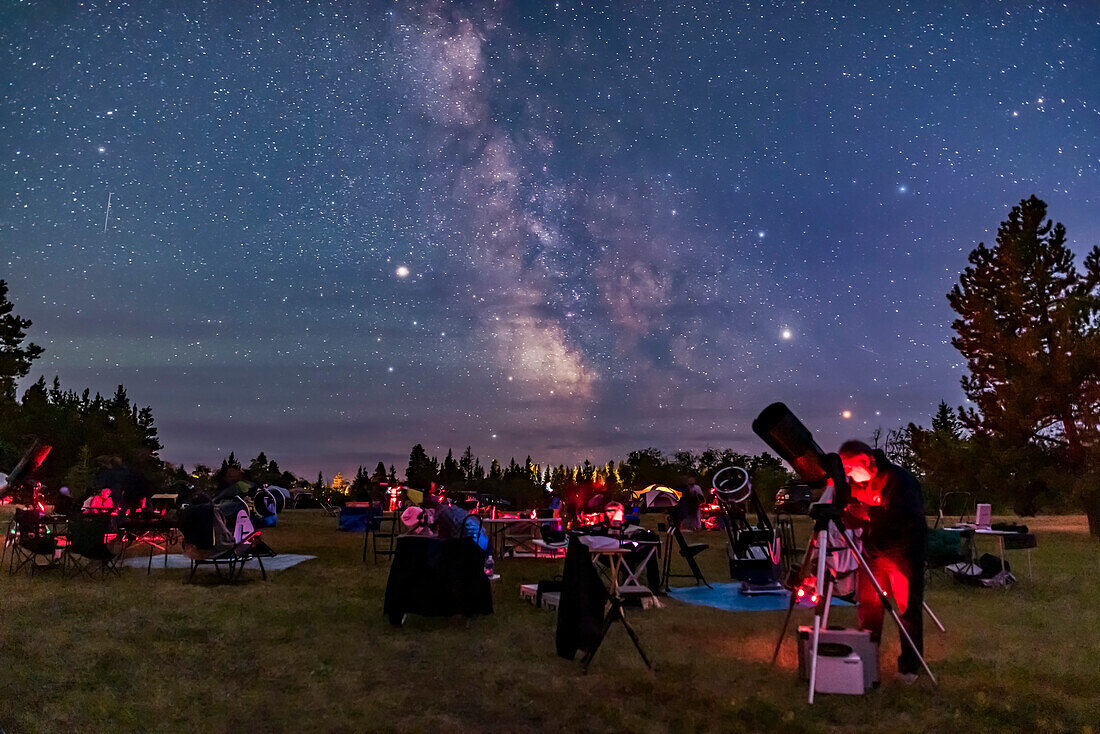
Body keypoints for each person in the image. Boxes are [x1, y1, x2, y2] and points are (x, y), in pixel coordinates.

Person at [839, 440, 928, 684]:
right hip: (873, 553)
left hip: (903, 553)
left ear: (866, 461)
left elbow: (904, 518)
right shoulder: (860, 484)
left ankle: (909, 668)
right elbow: (859, 518)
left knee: (907, 611)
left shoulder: (900, 481)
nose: (848, 474)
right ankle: (866, 660)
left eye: (850, 467)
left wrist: (867, 512)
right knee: (868, 609)